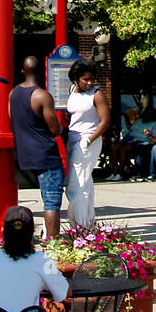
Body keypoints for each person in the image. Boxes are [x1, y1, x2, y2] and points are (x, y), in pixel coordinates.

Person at [8, 55, 66, 240]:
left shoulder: (13, 93)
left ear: (22, 71)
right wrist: (63, 126)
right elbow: (54, 129)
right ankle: (53, 242)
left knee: (48, 198)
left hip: (25, 154)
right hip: (45, 155)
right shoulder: (41, 95)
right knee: (52, 201)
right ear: (41, 73)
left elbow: (12, 118)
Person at [65, 59, 111, 228]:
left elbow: (105, 121)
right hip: (73, 138)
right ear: (76, 78)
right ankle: (88, 224)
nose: (89, 83)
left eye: (92, 79)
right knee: (85, 183)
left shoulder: (97, 94)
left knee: (76, 184)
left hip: (88, 140)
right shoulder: (72, 90)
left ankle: (79, 226)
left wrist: (89, 139)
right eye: (86, 79)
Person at [115, 105, 156, 181]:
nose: (148, 115)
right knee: (113, 148)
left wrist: (149, 135)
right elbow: (130, 129)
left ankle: (120, 174)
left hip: (141, 141)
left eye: (150, 114)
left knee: (124, 149)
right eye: (146, 113)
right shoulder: (140, 121)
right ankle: (114, 172)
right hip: (130, 139)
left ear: (153, 115)